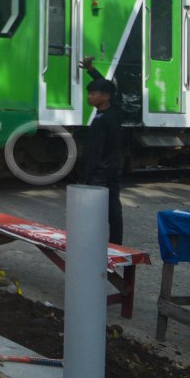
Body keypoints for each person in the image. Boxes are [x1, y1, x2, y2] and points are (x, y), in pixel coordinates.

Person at [78, 55, 124, 244]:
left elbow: (97, 151)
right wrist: (91, 70)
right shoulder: (103, 113)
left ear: (105, 97)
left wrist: (88, 174)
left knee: (111, 212)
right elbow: (109, 88)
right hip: (102, 171)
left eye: (93, 94)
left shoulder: (110, 116)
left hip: (105, 173)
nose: (89, 96)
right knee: (103, 212)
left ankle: (114, 247)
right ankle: (103, 245)